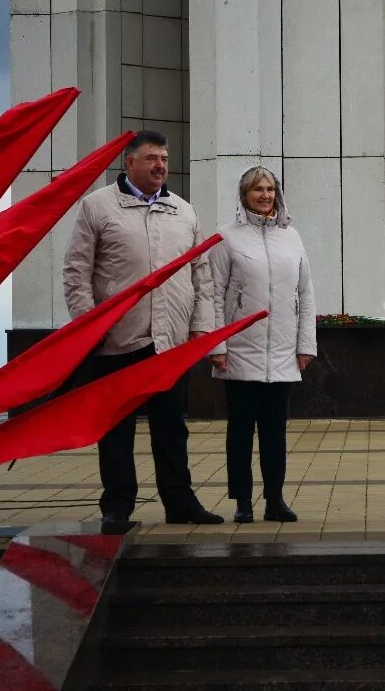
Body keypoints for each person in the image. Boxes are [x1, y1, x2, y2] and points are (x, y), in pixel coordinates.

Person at [63, 130, 223, 526]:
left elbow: (201, 274)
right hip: (115, 341)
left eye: (165, 159)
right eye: (152, 158)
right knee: (115, 430)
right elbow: (76, 271)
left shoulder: (184, 211)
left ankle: (180, 503)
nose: (160, 166)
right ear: (129, 162)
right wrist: (89, 326)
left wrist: (201, 327)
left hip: (169, 341)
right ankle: (117, 508)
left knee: (171, 428)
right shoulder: (97, 207)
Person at [207, 167, 316, 524]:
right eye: (258, 190)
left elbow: (305, 293)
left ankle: (275, 499)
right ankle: (242, 501)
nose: (265, 196)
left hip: (283, 351)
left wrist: (305, 345)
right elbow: (213, 295)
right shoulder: (227, 238)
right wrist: (218, 346)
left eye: (270, 189)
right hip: (240, 350)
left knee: (275, 432)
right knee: (240, 431)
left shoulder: (292, 238)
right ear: (244, 195)